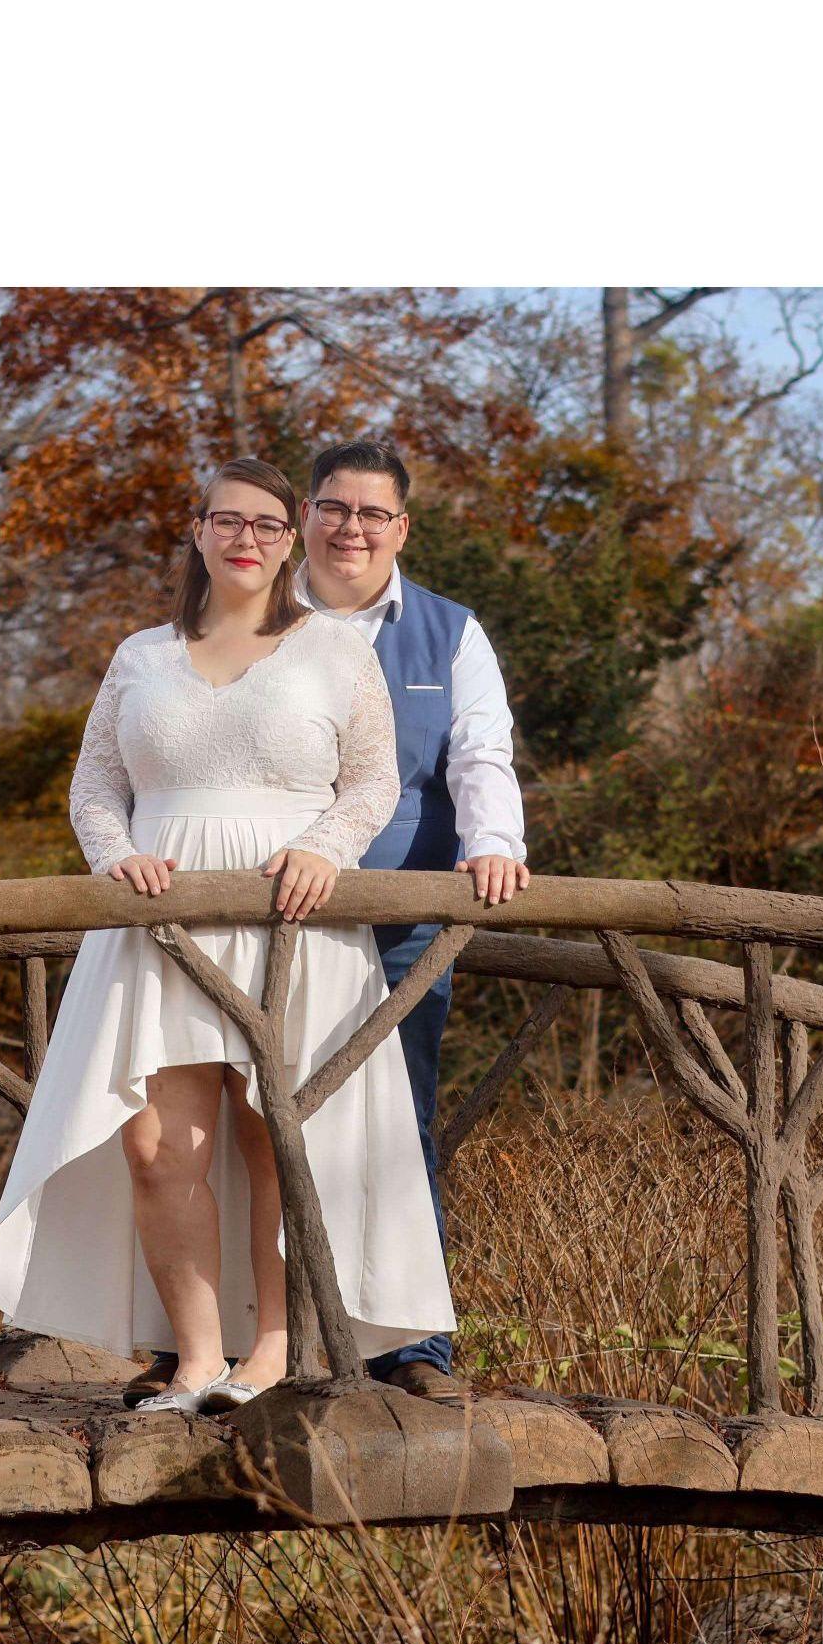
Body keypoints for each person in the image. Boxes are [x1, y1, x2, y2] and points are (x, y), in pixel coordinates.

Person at [0, 457, 456, 1414]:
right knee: (158, 1147)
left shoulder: (333, 651)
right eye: (228, 521)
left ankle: (270, 1352)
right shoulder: (140, 655)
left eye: (268, 525)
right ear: (197, 531)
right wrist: (116, 859)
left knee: (279, 1133)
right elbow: (95, 786)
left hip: (291, 919)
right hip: (159, 921)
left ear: (290, 539)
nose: (247, 539)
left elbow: (371, 782)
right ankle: (195, 1360)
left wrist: (324, 849)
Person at [291, 435, 531, 1383]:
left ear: (402, 528)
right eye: (334, 508)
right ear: (306, 515)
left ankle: (412, 1346)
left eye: (372, 513)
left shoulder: (450, 631)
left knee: (398, 1125)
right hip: (272, 913)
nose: (351, 528)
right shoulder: (256, 616)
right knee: (251, 1121)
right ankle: (248, 1341)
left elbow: (479, 753)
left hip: (402, 919)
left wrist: (494, 844)